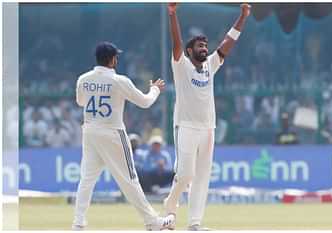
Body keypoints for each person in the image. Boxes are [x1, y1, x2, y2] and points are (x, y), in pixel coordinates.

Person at [164, 3, 251, 230]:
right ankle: (170, 202)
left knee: (202, 178)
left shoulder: (210, 65)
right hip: (185, 126)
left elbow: (228, 43)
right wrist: (173, 15)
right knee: (185, 175)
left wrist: (243, 17)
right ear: (190, 51)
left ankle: (194, 223)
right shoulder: (181, 65)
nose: (204, 48)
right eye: (199, 46)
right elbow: (176, 43)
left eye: (205, 45)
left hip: (208, 128)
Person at [72, 42, 175, 231]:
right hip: (112, 132)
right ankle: (152, 222)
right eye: (116, 57)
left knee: (86, 179)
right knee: (130, 179)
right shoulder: (120, 81)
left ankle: (78, 223)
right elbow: (144, 102)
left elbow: (80, 102)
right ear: (112, 60)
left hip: (90, 131)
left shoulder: (83, 79)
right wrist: (155, 90)